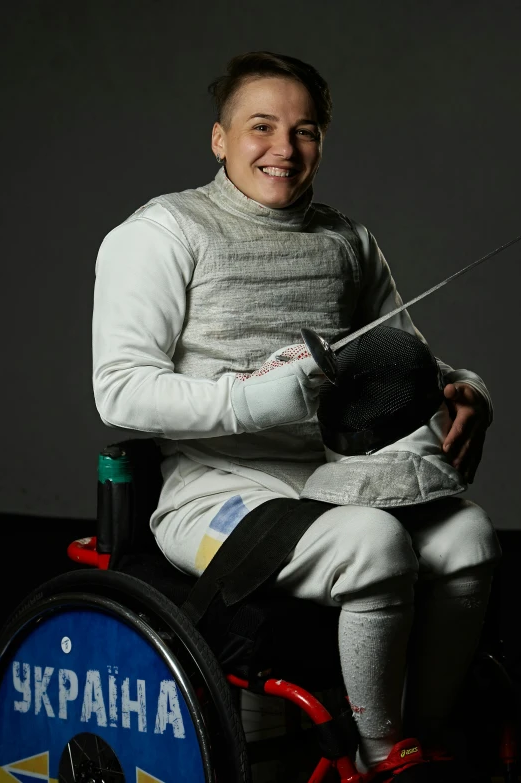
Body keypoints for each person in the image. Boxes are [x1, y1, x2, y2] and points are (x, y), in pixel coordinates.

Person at [92, 51, 501, 782]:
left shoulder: (347, 241)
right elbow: (120, 388)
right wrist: (254, 400)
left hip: (342, 480)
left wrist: (462, 387)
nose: (283, 148)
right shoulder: (163, 232)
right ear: (220, 138)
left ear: (321, 141)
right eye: (261, 126)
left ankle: (427, 742)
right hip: (216, 494)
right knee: (373, 544)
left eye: (304, 130)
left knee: (469, 536)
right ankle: (382, 758)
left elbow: (402, 361)